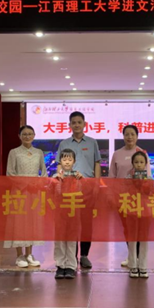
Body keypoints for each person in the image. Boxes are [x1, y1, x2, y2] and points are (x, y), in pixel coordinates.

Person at [55, 111, 101, 269]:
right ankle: (71, 256)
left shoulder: (92, 142)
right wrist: (60, 180)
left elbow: (97, 163)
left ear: (84, 124)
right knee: (70, 223)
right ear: (69, 125)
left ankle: (84, 255)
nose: (76, 125)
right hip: (69, 189)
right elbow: (59, 165)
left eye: (79, 122)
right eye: (73, 122)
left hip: (87, 188)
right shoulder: (64, 143)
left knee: (86, 223)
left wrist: (96, 185)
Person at [109, 124, 152, 267]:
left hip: (140, 199)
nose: (129, 137)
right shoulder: (117, 154)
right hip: (123, 198)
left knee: (140, 228)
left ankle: (139, 258)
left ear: (137, 136)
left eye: (132, 134)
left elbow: (148, 176)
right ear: (123, 136)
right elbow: (112, 177)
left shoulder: (142, 153)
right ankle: (131, 256)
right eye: (127, 134)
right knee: (127, 228)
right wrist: (112, 195)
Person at [5, 125, 48, 268]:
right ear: (19, 136)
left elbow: (44, 172)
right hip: (19, 192)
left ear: (34, 136)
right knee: (18, 222)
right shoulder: (14, 152)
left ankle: (29, 254)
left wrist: (38, 184)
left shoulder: (39, 152)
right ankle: (19, 255)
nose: (27, 136)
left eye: (30, 134)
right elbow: (10, 173)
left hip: (34, 192)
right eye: (24, 134)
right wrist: (24, 184)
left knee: (32, 221)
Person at [54, 149, 84, 279]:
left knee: (71, 239)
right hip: (60, 213)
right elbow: (52, 191)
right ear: (60, 161)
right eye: (64, 159)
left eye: (70, 159)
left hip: (73, 212)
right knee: (60, 239)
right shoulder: (56, 177)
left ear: (74, 161)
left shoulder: (77, 176)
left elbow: (82, 191)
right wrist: (56, 181)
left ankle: (71, 266)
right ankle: (60, 265)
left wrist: (81, 179)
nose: (67, 162)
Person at [125, 151, 152, 278]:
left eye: (141, 162)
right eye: (136, 162)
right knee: (132, 239)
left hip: (145, 211)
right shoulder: (128, 177)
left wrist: (144, 182)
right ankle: (133, 266)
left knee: (144, 239)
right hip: (131, 210)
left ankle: (143, 266)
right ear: (132, 163)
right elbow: (125, 191)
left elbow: (150, 192)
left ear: (145, 163)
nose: (139, 165)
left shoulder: (149, 178)